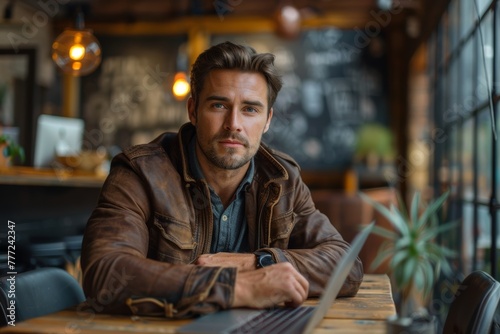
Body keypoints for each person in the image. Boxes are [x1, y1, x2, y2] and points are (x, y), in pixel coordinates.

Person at [81, 41, 363, 318]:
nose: (233, 124)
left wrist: (259, 262)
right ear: (193, 111)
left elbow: (347, 264)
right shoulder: (140, 173)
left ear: (267, 120)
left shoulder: (283, 179)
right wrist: (234, 287)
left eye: (250, 109)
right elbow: (105, 273)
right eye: (218, 105)